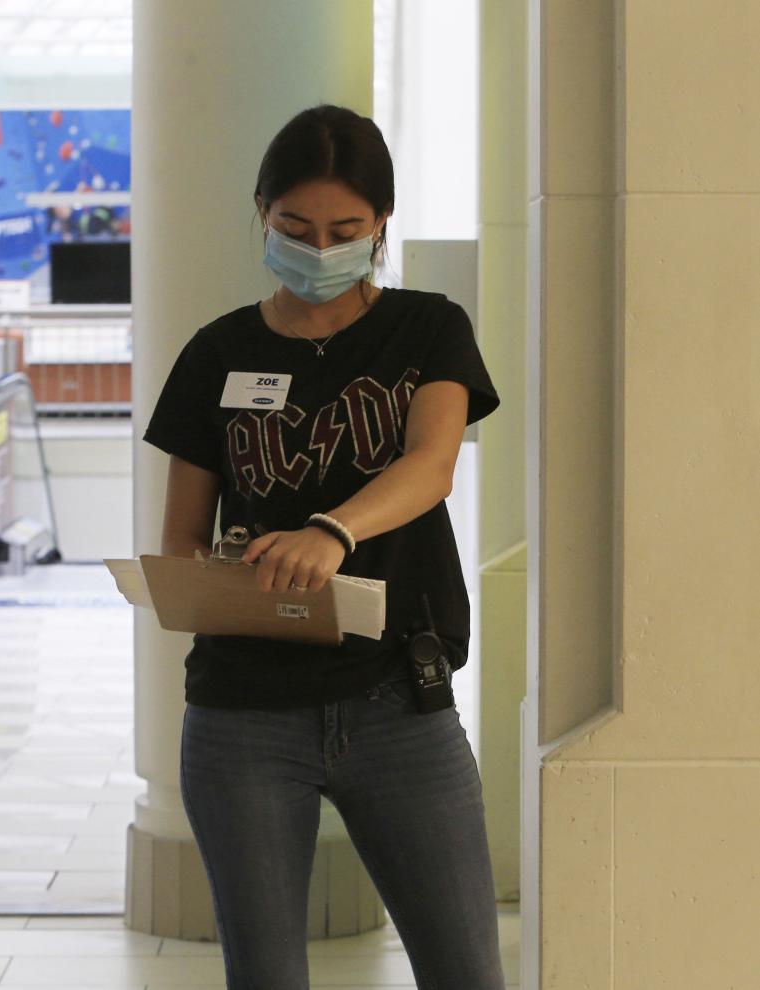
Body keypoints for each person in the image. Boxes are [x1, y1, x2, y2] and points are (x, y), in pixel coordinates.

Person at [143, 105, 506, 989]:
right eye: (294, 228)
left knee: (466, 969)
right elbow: (182, 538)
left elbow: (431, 467)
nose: (318, 249)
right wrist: (216, 581)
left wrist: (330, 533)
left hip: (399, 703)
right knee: (265, 973)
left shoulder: (427, 328)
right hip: (242, 715)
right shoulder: (216, 352)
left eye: (345, 230)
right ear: (260, 212)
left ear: (381, 223)